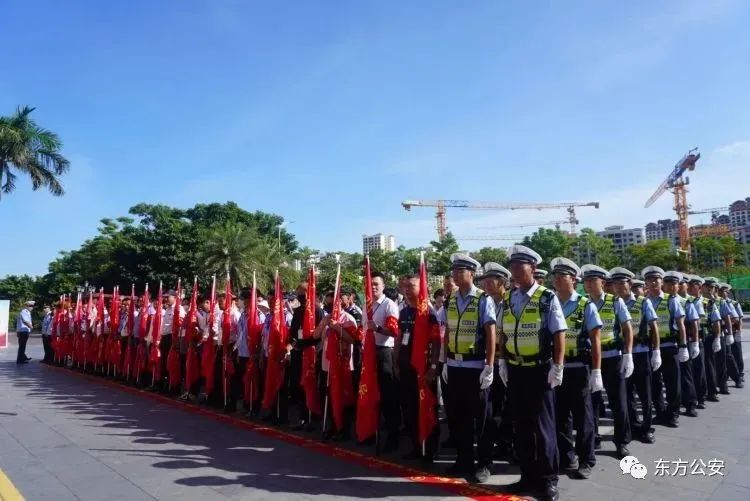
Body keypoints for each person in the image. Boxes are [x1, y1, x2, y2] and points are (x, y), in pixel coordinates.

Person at [498, 245, 566, 501]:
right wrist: (502, 361)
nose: (515, 271)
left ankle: (548, 480)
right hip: (516, 370)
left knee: (544, 427)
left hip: (540, 371)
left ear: (533, 268)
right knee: (522, 426)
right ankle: (527, 476)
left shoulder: (547, 298)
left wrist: (557, 366)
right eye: (512, 267)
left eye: (520, 266)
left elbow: (559, 333)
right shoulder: (509, 298)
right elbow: (503, 333)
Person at [441, 253, 497, 484]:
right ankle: (464, 460)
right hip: (455, 366)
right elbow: (447, 332)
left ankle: (484, 463)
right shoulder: (451, 300)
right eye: (454, 271)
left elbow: (490, 333)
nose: (455, 275)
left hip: (476, 367)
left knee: (482, 418)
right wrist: (445, 360)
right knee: (459, 417)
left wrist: (489, 366)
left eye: (460, 271)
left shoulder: (483, 299)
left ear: (472, 274)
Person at [552, 258, 601, 479]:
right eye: (555, 276)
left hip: (579, 367)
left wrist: (596, 371)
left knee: (583, 416)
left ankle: (586, 459)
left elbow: (596, 340)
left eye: (562, 276)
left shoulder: (585, 305)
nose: (557, 279)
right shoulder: (550, 302)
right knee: (560, 415)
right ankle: (566, 456)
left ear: (573, 279)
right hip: (558, 368)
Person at [581, 264, 633, 459]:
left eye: (592, 280)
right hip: (590, 359)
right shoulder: (583, 303)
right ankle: (594, 437)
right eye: (586, 281)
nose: (588, 284)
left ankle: (621, 442)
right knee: (592, 402)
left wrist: (628, 355)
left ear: (602, 282)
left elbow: (627, 329)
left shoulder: (615, 302)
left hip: (612, 357)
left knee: (618, 402)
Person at [395, 273, 441, 464]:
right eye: (405, 286)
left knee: (427, 408)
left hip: (423, 369)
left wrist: (433, 367)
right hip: (406, 368)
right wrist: (396, 361)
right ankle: (416, 446)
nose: (406, 290)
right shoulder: (404, 311)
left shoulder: (428, 313)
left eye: (411, 286)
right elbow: (399, 338)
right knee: (410, 409)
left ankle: (429, 449)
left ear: (421, 288)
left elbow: (436, 341)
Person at [611, 267, 659, 445]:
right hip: (622, 355)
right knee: (627, 394)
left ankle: (646, 429)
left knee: (645, 394)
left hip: (641, 353)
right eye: (615, 283)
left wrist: (656, 351)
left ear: (629, 284)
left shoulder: (642, 302)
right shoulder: (612, 303)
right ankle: (633, 426)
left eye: (621, 283)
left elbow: (654, 327)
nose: (618, 286)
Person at [477, 263, 513, 460]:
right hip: (491, 362)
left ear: (502, 283)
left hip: (508, 362)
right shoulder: (486, 302)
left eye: (491, 281)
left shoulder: (512, 303)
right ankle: (499, 443)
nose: (486, 285)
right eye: (485, 282)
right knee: (493, 406)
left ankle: (509, 444)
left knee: (509, 407)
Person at [646, 268, 688, 428]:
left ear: (661, 282)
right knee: (654, 383)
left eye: (656, 280)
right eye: (650, 280)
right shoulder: (643, 301)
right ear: (646, 283)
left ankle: (673, 414)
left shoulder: (671, 300)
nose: (653, 283)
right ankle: (660, 412)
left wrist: (683, 346)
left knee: (673, 383)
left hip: (669, 346)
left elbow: (681, 325)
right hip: (651, 348)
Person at [368, 272, 401, 452]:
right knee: (372, 393)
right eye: (370, 283)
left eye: (376, 284)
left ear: (383, 285)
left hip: (384, 353)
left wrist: (378, 328)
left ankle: (393, 435)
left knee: (389, 396)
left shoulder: (389, 305)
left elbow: (394, 331)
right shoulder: (367, 305)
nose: (373, 287)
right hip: (369, 353)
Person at [699, 278, 723, 402]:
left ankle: (712, 392)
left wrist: (717, 338)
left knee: (709, 365)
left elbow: (716, 321)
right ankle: (700, 393)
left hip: (707, 337)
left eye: (711, 287)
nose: (709, 289)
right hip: (694, 338)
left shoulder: (710, 303)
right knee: (698, 367)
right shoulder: (691, 301)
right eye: (707, 286)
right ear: (702, 287)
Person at [718, 284, 743, 389]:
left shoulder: (730, 303)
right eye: (719, 290)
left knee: (730, 356)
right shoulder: (713, 301)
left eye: (723, 291)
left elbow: (736, 318)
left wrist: (737, 332)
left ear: (727, 293)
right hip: (715, 334)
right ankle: (721, 380)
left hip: (727, 332)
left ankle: (738, 377)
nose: (720, 292)